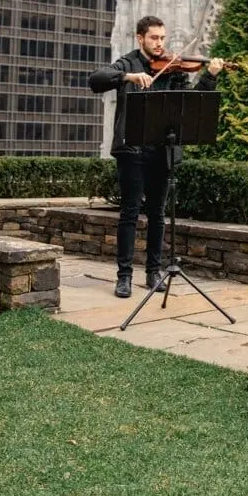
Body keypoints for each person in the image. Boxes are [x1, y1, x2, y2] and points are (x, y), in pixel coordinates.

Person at [89, 16, 223, 298]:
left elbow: (193, 104)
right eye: (154, 38)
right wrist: (127, 77)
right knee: (129, 213)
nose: (160, 43)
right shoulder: (127, 63)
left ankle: (153, 272)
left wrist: (209, 76)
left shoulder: (174, 71)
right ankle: (124, 276)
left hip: (162, 151)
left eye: (162, 38)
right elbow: (96, 80)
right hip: (132, 150)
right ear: (140, 38)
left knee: (158, 215)